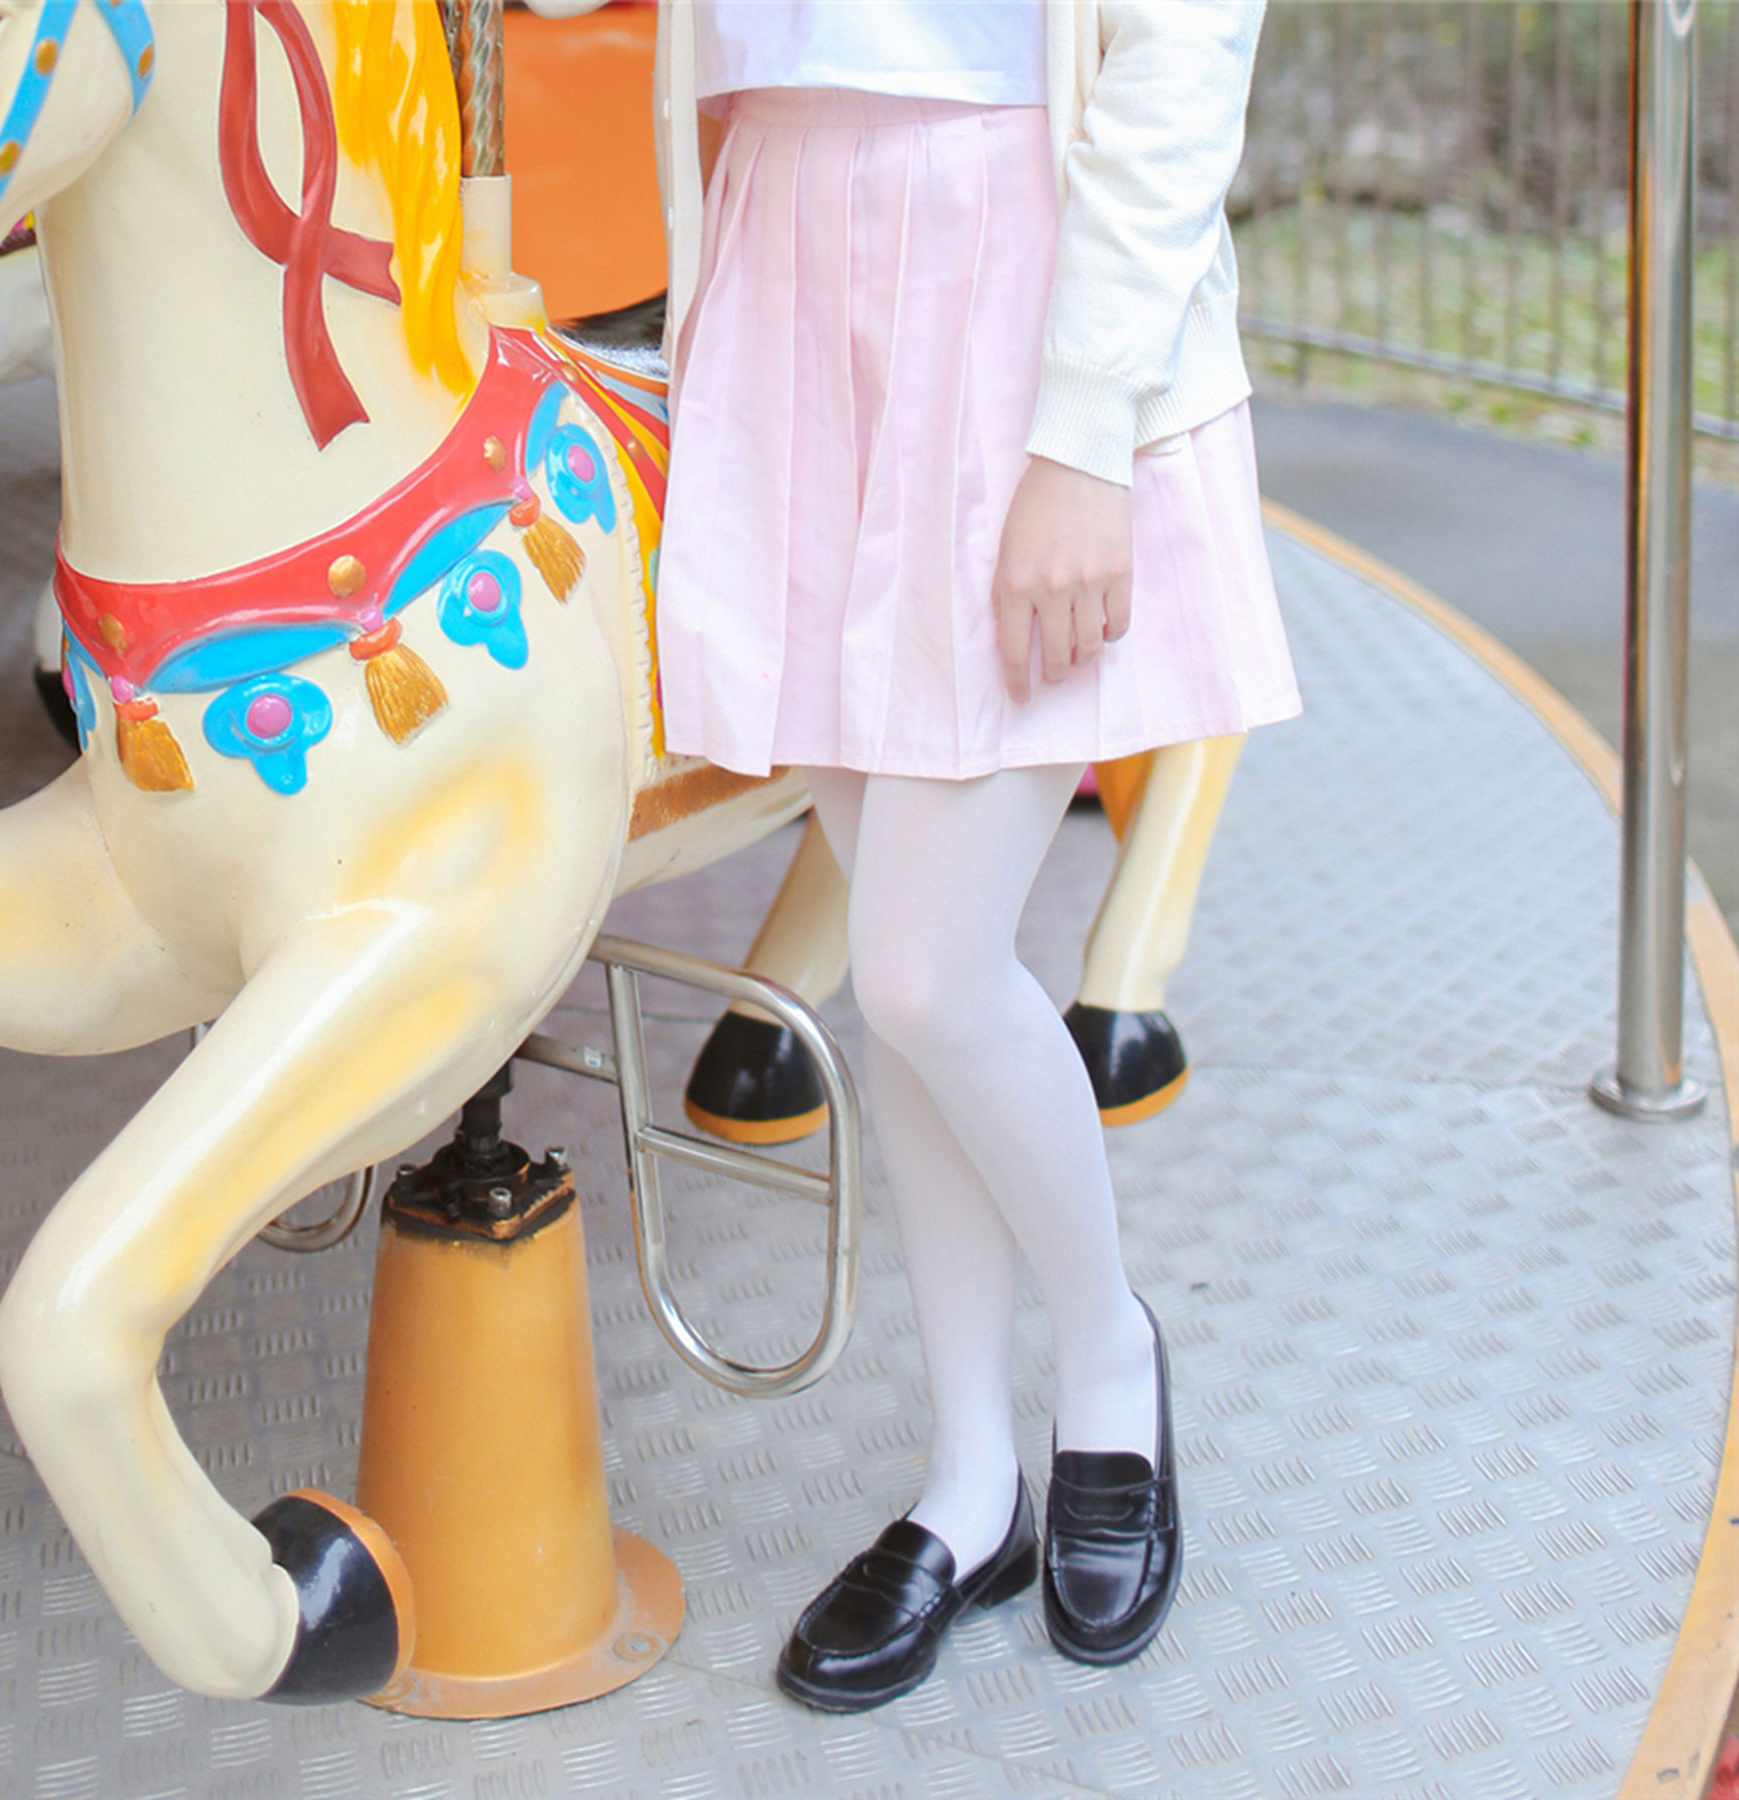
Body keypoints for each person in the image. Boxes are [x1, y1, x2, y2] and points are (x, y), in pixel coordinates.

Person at [539, 0, 1300, 1710]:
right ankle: (969, 1483)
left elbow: (1181, 46)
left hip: (1021, 268)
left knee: (921, 970)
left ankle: (1107, 1362)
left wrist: (1083, 432)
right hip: (780, 271)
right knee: (904, 974)